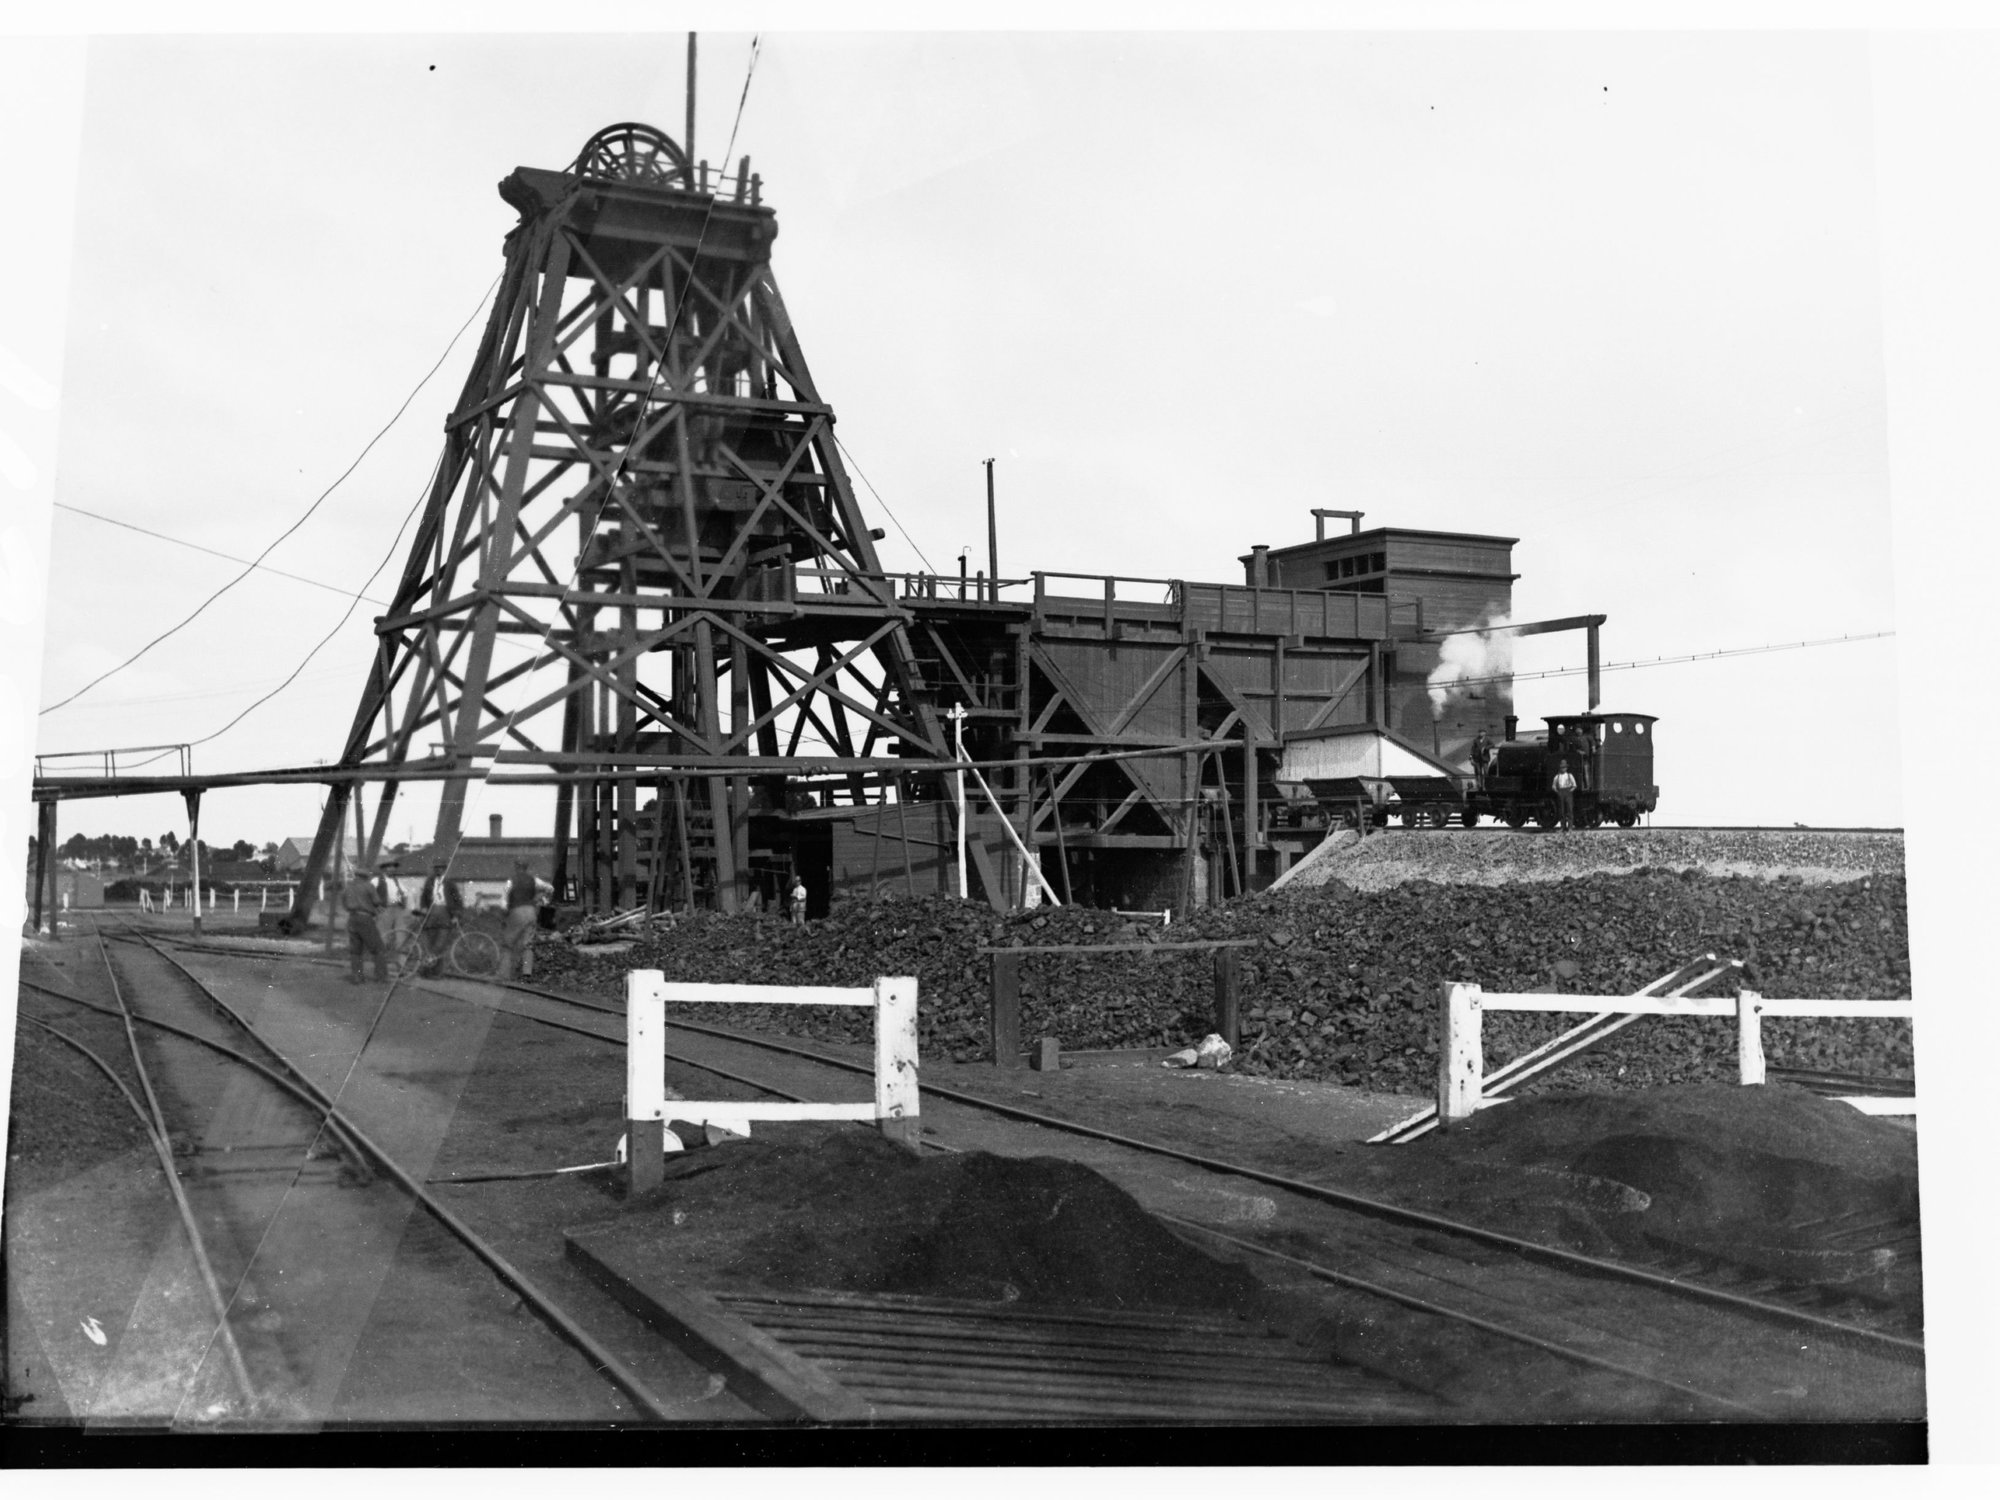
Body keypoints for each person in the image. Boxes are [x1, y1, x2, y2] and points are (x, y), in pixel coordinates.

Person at [501, 857, 554, 980]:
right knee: (528, 945)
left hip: (516, 912)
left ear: (516, 867)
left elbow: (504, 901)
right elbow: (550, 888)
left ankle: (504, 974)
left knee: (508, 944)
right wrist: (543, 900)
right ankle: (527, 973)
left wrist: (504, 914)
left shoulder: (511, 881)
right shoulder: (533, 880)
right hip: (531, 912)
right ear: (526, 868)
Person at [341, 864, 389, 983]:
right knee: (378, 949)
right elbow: (377, 902)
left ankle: (357, 976)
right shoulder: (368, 886)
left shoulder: (348, 887)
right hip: (365, 918)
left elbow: (344, 902)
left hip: (352, 919)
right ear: (366, 876)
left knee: (356, 950)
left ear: (356, 876)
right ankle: (381, 977)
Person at [418, 858, 458, 974]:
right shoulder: (429, 882)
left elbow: (457, 901)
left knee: (440, 944)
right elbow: (424, 897)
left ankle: (437, 972)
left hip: (445, 913)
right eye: (436, 868)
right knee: (429, 943)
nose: (438, 870)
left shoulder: (450, 884)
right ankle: (426, 971)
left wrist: (455, 915)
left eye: (441, 868)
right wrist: (424, 907)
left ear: (445, 869)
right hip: (431, 913)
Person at [1551, 760, 1578, 831]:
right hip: (1560, 792)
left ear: (1566, 768)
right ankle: (1562, 827)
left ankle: (1570, 827)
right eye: (1562, 767)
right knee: (1561, 811)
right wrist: (1558, 792)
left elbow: (1574, 785)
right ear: (1560, 768)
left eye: (1564, 767)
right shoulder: (1557, 777)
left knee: (1569, 810)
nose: (1563, 769)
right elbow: (1553, 786)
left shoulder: (1570, 775)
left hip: (1568, 793)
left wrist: (1570, 791)